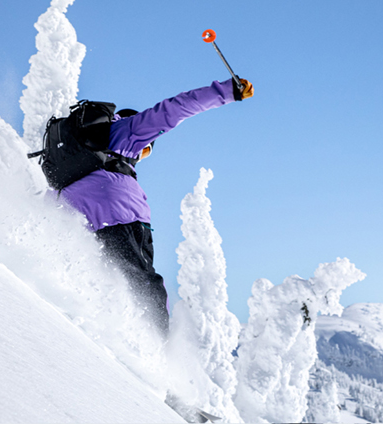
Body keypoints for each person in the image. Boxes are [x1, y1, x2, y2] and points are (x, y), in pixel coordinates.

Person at [57, 77, 253, 336]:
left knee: (110, 279)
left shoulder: (77, 156)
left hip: (81, 222)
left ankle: (105, 336)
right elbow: (175, 108)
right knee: (146, 285)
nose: (143, 154)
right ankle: (156, 347)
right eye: (147, 148)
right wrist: (227, 92)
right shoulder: (128, 131)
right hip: (119, 216)